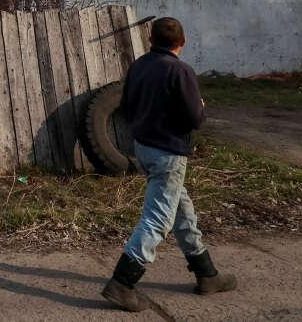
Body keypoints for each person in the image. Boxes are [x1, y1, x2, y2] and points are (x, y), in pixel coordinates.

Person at [101, 16, 238, 312]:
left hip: (144, 149)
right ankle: (122, 283)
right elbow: (194, 119)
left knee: (181, 209)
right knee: (158, 219)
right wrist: (200, 108)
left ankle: (207, 274)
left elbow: (125, 108)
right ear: (183, 42)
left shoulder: (139, 66)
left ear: (151, 40)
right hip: (168, 153)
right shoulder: (180, 71)